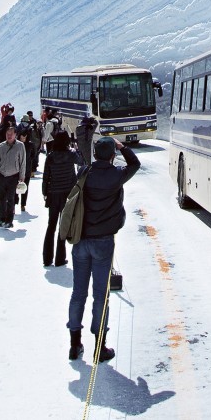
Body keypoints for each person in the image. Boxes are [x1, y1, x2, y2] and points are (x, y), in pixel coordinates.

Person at [67, 138, 140, 363]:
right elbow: (135, 164)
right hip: (104, 242)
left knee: (78, 293)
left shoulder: (85, 173)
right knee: (101, 294)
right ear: (111, 156)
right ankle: (100, 346)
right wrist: (122, 147)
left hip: (81, 239)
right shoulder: (116, 176)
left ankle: (74, 343)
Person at [41, 130, 77, 267]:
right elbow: (82, 160)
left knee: (51, 226)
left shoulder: (50, 156)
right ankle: (60, 258)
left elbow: (46, 176)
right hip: (67, 194)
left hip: (53, 194)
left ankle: (47, 258)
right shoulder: (71, 154)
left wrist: (45, 192)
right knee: (63, 226)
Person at [0, 125, 25, 228]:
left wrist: (22, 176)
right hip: (1, 176)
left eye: (11, 134)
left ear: (15, 135)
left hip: (13, 176)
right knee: (1, 199)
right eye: (7, 134)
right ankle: (2, 219)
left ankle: (9, 220)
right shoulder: (1, 146)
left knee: (10, 199)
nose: (9, 136)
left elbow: (22, 162)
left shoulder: (20, 146)